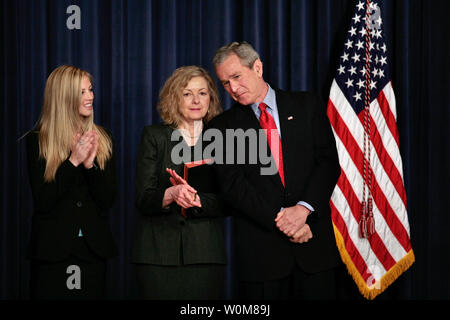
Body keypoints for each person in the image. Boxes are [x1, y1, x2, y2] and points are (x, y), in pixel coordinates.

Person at [208, 41, 341, 299]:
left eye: (237, 76)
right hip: (262, 256)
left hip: (313, 246)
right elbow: (234, 187)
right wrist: (285, 221)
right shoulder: (222, 127)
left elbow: (327, 163)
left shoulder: (307, 105)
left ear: (257, 67)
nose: (233, 88)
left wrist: (303, 209)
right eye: (225, 83)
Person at [132, 65, 226, 299]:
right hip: (157, 255)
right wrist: (171, 194)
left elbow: (230, 201)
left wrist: (197, 200)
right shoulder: (154, 136)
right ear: (175, 98)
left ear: (211, 98)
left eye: (202, 93)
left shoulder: (223, 139)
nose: (196, 100)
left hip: (204, 254)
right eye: (187, 93)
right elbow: (143, 199)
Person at [25, 65, 117, 299]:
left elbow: (107, 200)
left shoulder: (103, 138)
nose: (90, 96)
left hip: (92, 251)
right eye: (82, 92)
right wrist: (73, 161)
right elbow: (44, 201)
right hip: (52, 253)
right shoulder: (38, 141)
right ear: (64, 97)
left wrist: (89, 166)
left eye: (90, 90)